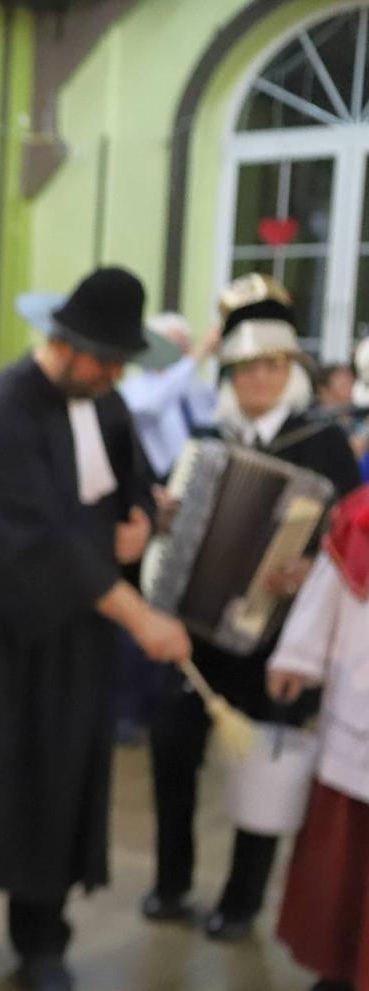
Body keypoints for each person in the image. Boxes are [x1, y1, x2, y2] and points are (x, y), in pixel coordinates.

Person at [0, 266, 192, 991]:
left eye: (120, 363)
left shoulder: (107, 406)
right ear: (63, 344)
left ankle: (43, 939)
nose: (112, 375)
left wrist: (142, 521)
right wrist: (139, 616)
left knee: (57, 781)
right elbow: (37, 543)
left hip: (72, 639)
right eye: (103, 359)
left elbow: (127, 491)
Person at [144, 275, 361, 942]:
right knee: (172, 754)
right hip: (196, 630)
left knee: (260, 771)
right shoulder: (206, 439)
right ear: (231, 374)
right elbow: (171, 530)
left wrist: (313, 566)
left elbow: (352, 534)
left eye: (271, 366)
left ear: (289, 371)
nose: (258, 379)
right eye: (245, 368)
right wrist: (165, 520)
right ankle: (172, 880)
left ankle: (241, 900)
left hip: (275, 641)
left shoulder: (322, 444)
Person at [267, 484, 369, 991]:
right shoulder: (363, 512)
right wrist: (297, 656)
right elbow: (332, 578)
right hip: (361, 709)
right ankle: (339, 976)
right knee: (345, 865)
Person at [117, 312, 217, 483]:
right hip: (155, 483)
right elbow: (152, 406)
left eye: (187, 342)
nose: (184, 349)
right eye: (175, 343)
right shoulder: (133, 388)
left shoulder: (198, 389)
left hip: (198, 480)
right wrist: (198, 354)